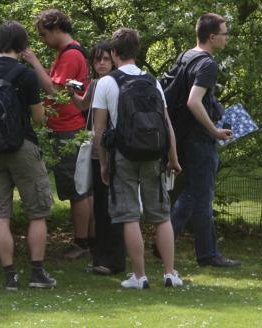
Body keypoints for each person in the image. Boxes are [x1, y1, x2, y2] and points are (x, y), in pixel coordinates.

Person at [93, 27, 183, 289]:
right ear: (136, 50)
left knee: (129, 215)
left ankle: (140, 276)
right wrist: (173, 158)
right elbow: (167, 125)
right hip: (154, 155)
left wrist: (103, 163)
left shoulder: (107, 83)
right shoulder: (152, 80)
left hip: (123, 155)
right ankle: (169, 273)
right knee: (161, 216)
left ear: (113, 52)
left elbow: (99, 130)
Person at [0, 21, 56, 290]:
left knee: (1, 215)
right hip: (22, 148)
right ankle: (37, 273)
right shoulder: (25, 75)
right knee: (37, 212)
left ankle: (10, 277)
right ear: (22, 45)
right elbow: (39, 119)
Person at [169, 13, 241, 268]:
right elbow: (193, 101)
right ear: (212, 37)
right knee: (203, 197)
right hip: (200, 139)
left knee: (192, 192)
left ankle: (164, 240)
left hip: (184, 136)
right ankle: (208, 254)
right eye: (224, 33)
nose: (227, 38)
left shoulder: (186, 56)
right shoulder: (208, 64)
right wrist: (214, 130)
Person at [22, 9, 92, 260]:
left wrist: (33, 62)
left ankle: (82, 242)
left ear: (56, 29)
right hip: (69, 127)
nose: (42, 40)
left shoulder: (71, 55)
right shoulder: (69, 53)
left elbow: (54, 90)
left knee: (77, 190)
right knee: (82, 188)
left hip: (68, 128)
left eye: (43, 34)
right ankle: (89, 240)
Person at [67, 41, 126, 275]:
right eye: (97, 59)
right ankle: (101, 255)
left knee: (109, 205)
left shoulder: (116, 84)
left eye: (105, 59)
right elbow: (83, 104)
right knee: (99, 203)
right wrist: (72, 94)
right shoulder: (94, 84)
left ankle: (109, 257)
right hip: (94, 150)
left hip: (110, 151)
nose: (101, 63)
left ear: (113, 60)